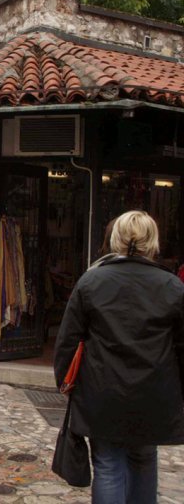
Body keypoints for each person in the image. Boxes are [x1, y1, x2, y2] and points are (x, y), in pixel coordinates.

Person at [54, 211, 184, 503]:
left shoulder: (91, 282)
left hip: (102, 389)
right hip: (154, 392)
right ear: (153, 241)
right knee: (145, 458)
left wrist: (64, 383)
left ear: (116, 239)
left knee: (108, 466)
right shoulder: (172, 286)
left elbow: (67, 341)